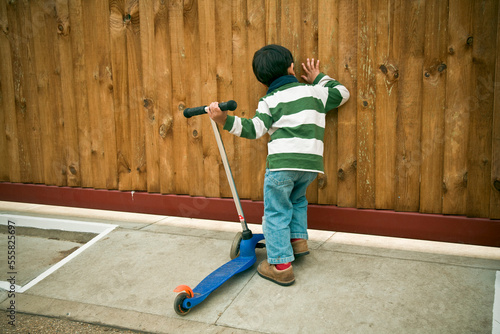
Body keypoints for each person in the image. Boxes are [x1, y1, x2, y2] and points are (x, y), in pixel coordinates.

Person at [207, 44, 349, 286]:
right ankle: (297, 241)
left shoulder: (269, 100)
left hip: (282, 165)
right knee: (296, 201)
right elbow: (343, 93)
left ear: (262, 80)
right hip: (310, 166)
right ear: (291, 67)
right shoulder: (314, 92)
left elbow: (254, 129)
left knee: (276, 211)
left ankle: (281, 265)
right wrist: (319, 78)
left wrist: (224, 119)